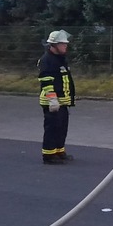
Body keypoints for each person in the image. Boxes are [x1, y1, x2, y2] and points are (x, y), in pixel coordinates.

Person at [37, 30, 76, 165]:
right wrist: (52, 100)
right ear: (54, 45)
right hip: (52, 102)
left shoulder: (60, 59)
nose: (65, 46)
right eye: (62, 44)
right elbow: (46, 81)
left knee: (61, 127)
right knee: (52, 128)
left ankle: (59, 151)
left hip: (63, 101)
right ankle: (49, 155)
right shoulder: (47, 60)